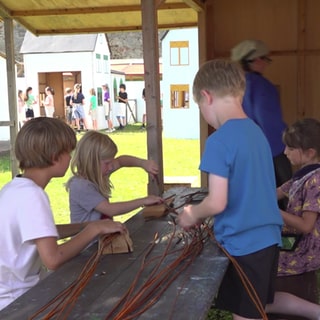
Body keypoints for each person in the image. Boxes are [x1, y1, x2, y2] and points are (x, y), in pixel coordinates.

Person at [177, 59, 283, 320]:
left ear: (206, 96)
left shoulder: (218, 141)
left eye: (199, 106)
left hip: (244, 245)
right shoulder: (257, 132)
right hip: (268, 238)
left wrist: (192, 213)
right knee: (253, 309)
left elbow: (217, 202)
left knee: (245, 316)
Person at [0, 117, 126, 311]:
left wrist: (85, 226)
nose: (70, 157)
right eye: (68, 152)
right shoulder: (33, 195)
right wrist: (92, 230)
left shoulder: (14, 188)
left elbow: (43, 233)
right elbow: (53, 259)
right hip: (18, 302)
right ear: (54, 157)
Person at [267, 118, 320, 320]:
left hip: (305, 250)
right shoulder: (301, 176)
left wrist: (275, 212)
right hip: (293, 242)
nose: (285, 153)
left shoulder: (316, 180)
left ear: (309, 152)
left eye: (290, 148)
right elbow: (275, 193)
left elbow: (307, 227)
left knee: (262, 264)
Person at [231, 39, 292, 209]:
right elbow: (269, 123)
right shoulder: (263, 87)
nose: (266, 63)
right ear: (256, 60)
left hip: (247, 152)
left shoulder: (238, 87)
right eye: (265, 59)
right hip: (271, 153)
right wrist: (290, 145)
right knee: (284, 196)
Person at [66, 130, 163, 223]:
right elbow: (110, 209)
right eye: (107, 163)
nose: (112, 166)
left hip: (104, 237)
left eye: (112, 161)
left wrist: (143, 163)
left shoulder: (101, 171)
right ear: (92, 162)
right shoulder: (80, 186)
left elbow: (121, 161)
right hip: (89, 240)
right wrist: (143, 201)